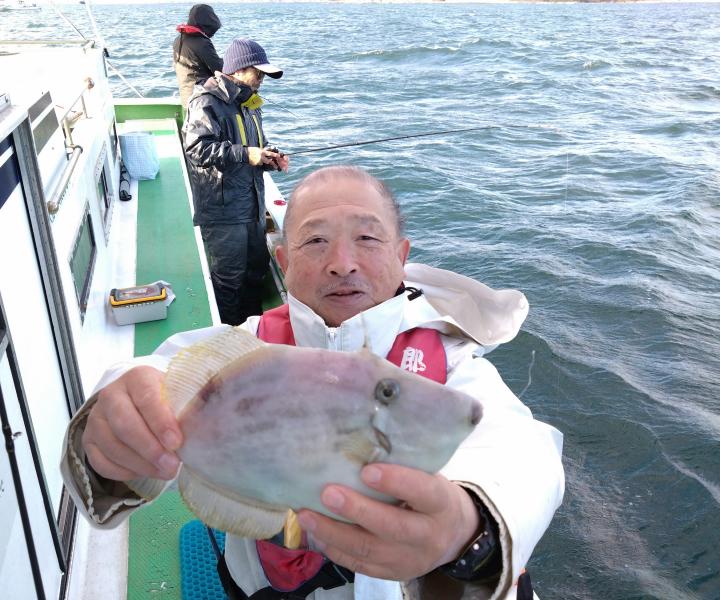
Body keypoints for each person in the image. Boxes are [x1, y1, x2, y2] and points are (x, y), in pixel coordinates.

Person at [61, 166, 564, 600]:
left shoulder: (453, 362)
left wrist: (470, 522)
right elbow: (153, 375)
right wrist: (112, 432)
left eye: (367, 239)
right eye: (315, 240)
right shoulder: (246, 349)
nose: (342, 262)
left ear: (401, 256)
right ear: (283, 261)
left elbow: (523, 451)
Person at [183, 38, 289, 326]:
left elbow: (257, 147)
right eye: (259, 72)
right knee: (229, 281)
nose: (262, 79)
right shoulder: (206, 101)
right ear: (240, 69)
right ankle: (230, 342)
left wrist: (270, 157)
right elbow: (196, 148)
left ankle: (253, 335)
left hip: (252, 206)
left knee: (256, 272)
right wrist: (246, 154)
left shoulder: (250, 105)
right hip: (223, 212)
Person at [173, 4, 222, 111]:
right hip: (201, 100)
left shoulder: (178, 39)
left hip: (186, 98)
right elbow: (219, 69)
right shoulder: (202, 43)